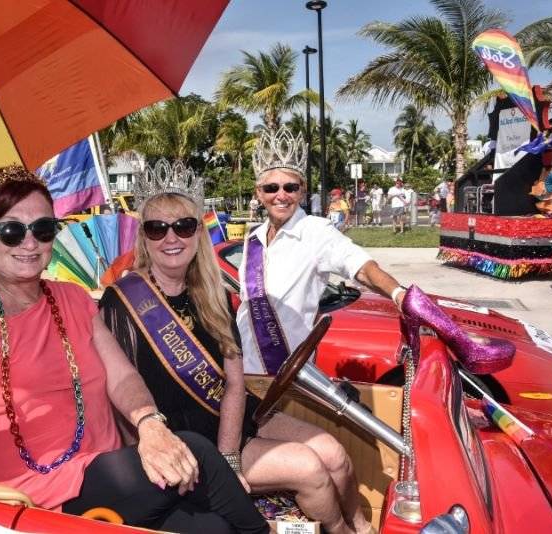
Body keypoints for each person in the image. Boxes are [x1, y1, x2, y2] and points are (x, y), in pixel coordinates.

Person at [0, 165, 268, 534]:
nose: (29, 243)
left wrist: (151, 426)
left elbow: (122, 377)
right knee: (197, 450)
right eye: (11, 231)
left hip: (109, 472)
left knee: (216, 527)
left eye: (43, 229)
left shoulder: (72, 298)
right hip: (39, 495)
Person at [99, 162, 368, 533]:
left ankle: (361, 526)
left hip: (234, 424)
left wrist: (230, 457)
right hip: (186, 442)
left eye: (184, 225)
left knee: (336, 454)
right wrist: (207, 464)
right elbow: (116, 394)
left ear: (197, 235)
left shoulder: (215, 296)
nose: (171, 237)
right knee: (311, 469)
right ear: (144, 238)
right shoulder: (122, 302)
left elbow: (235, 385)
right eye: (157, 228)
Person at [237, 127, 410, 532]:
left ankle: (359, 527)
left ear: (302, 189)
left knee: (336, 460)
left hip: (291, 385)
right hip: (248, 384)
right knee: (323, 463)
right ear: (258, 191)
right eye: (271, 187)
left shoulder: (315, 231)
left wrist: (399, 294)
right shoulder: (253, 239)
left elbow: (359, 265)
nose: (281, 195)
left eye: (290, 186)